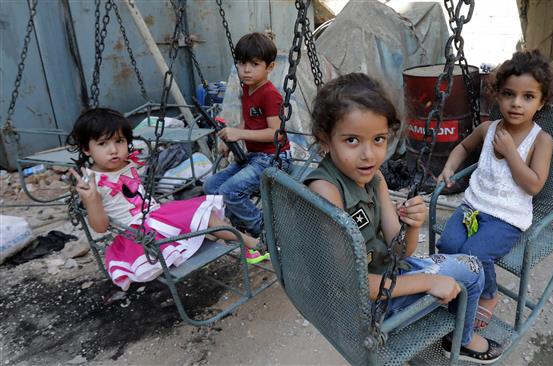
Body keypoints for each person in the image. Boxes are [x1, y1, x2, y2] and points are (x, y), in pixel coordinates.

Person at [304, 73, 503, 363]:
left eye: (379, 139)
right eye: (351, 140)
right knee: (472, 270)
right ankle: (464, 339)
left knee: (464, 266)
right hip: (368, 307)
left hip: (389, 276)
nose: (368, 154)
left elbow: (401, 251)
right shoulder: (327, 192)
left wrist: (412, 226)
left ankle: (450, 314)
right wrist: (427, 282)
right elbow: (353, 285)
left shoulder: (375, 178)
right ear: (325, 140)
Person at [66, 108, 269, 291]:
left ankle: (250, 242)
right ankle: (248, 242)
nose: (113, 150)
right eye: (102, 144)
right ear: (86, 149)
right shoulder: (91, 182)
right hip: (137, 234)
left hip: (156, 216)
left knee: (203, 213)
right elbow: (100, 227)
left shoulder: (126, 162)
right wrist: (91, 200)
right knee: (196, 215)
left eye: (119, 141)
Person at [436, 49, 553, 330]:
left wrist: (512, 154)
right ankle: (459, 286)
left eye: (528, 97)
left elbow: (535, 185)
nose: (516, 104)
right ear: (498, 95)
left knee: (476, 253)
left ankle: (488, 295)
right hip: (473, 207)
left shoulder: (542, 140)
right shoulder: (488, 128)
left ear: (541, 102)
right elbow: (463, 147)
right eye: (508, 94)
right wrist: (449, 167)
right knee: (449, 245)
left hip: (506, 218)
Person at [203, 32, 292, 238]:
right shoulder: (247, 88)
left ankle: (264, 233)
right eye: (242, 63)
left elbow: (277, 134)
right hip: (254, 158)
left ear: (269, 67)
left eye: (254, 64)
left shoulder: (269, 95)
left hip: (275, 158)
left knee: (230, 191)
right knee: (211, 185)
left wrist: (239, 133)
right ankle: (239, 224)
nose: (246, 70)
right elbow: (248, 121)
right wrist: (230, 139)